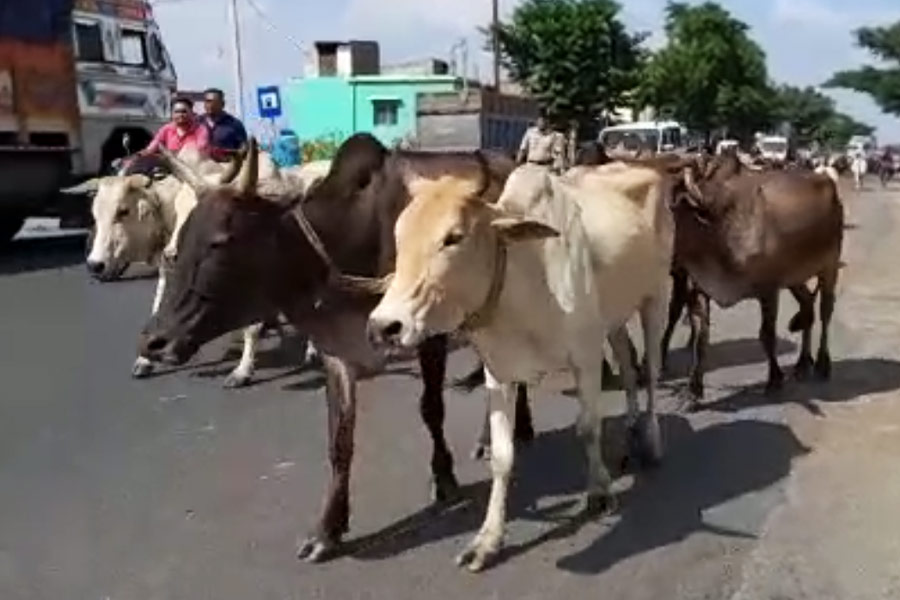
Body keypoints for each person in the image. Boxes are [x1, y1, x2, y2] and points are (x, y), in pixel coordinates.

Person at [139, 97, 209, 156]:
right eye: (177, 112)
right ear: (172, 114)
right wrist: (141, 154)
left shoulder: (200, 129)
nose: (180, 115)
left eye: (184, 111)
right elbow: (153, 147)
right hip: (171, 166)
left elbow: (200, 151)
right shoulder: (166, 129)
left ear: (191, 112)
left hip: (192, 167)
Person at [202, 88, 248, 161]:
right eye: (207, 101)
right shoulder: (197, 122)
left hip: (227, 167)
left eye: (214, 102)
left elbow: (243, 147)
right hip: (200, 168)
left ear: (222, 104)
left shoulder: (235, 124)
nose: (210, 105)